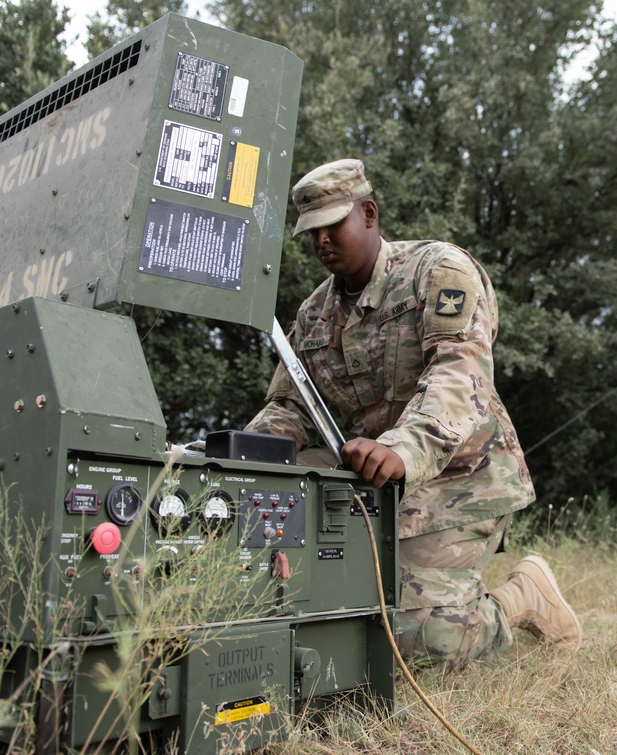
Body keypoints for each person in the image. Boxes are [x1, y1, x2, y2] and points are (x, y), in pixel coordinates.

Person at [245, 158, 581, 671]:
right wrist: (235, 455)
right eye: (312, 233)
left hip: (460, 480)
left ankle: (523, 596)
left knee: (419, 642)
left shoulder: (438, 270)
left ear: (370, 213)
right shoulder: (313, 314)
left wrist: (403, 449)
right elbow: (291, 407)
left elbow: (458, 375)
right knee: (337, 613)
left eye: (333, 225)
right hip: (375, 489)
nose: (321, 243)